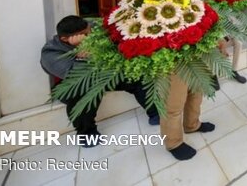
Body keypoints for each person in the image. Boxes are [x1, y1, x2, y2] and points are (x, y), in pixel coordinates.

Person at [40, 16, 159, 147]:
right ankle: (87, 134)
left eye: (89, 31)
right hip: (73, 83)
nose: (89, 35)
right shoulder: (50, 53)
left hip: (104, 73)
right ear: (64, 39)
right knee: (81, 91)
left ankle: (155, 114)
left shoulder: (91, 27)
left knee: (135, 77)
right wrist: (84, 53)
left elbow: (112, 45)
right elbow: (76, 76)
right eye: (85, 35)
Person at [154, 0, 215, 160]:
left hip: (197, 44)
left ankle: (192, 124)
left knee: (196, 89)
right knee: (174, 99)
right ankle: (173, 142)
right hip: (174, 48)